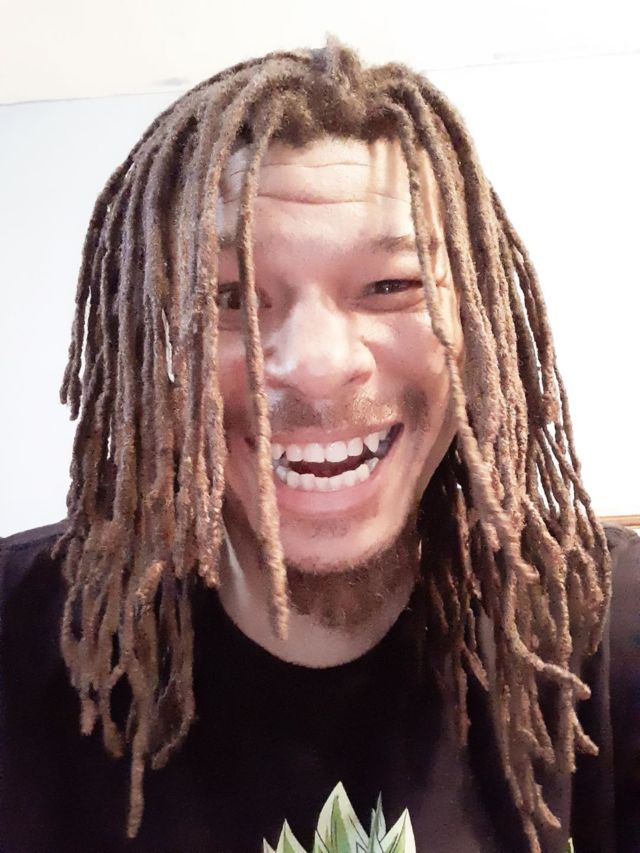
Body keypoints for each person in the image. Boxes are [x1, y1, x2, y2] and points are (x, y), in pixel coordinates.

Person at [0, 38, 638, 853]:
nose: (314, 367)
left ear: (481, 326)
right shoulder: (17, 634)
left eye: (392, 285)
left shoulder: (613, 632)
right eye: (230, 296)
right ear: (148, 346)